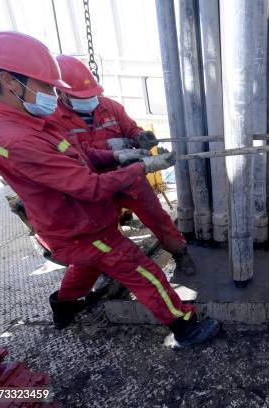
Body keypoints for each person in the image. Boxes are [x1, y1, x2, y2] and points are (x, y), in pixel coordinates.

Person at [0, 31, 219, 347]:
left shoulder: (28, 120)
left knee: (88, 264)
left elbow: (77, 154)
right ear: (10, 80)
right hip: (82, 226)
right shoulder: (19, 138)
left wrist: (120, 154)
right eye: (47, 85)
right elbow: (87, 187)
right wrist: (141, 167)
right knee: (143, 272)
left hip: (74, 223)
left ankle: (64, 307)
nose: (52, 92)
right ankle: (185, 326)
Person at [50, 54, 195, 280]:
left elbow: (130, 129)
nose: (90, 100)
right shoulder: (53, 120)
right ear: (61, 94)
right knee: (102, 232)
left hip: (130, 181)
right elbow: (80, 154)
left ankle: (180, 253)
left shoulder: (110, 107)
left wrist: (141, 137)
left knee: (158, 219)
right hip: (97, 187)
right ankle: (108, 270)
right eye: (81, 96)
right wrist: (117, 153)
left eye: (92, 95)